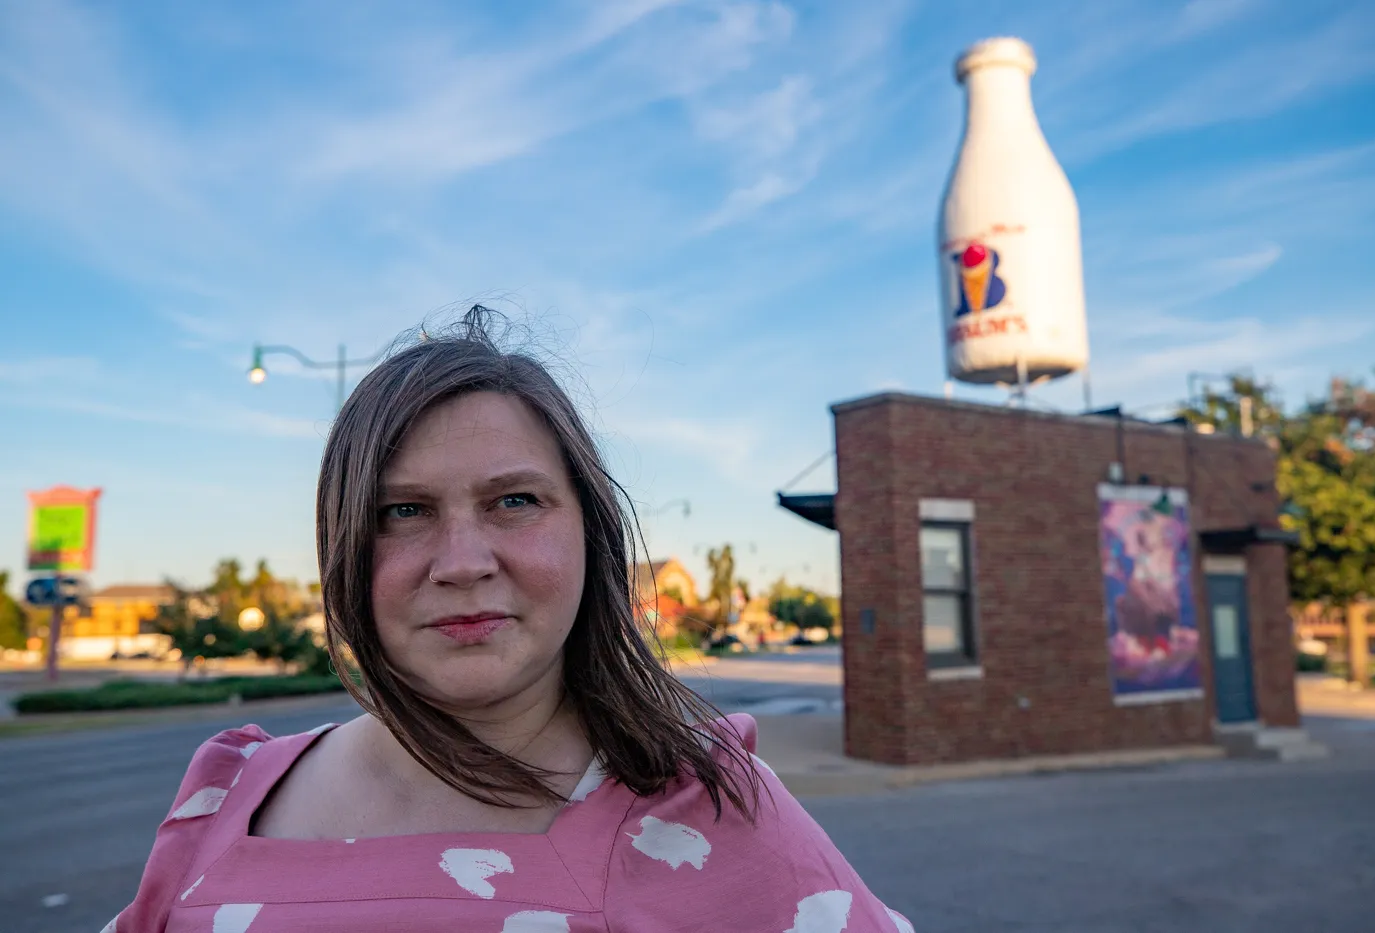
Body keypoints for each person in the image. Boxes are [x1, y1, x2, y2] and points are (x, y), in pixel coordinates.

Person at [105, 307, 916, 932]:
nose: (461, 560)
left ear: (589, 534)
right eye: (403, 510)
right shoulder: (227, 791)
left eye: (514, 500)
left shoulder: (702, 808)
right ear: (343, 545)